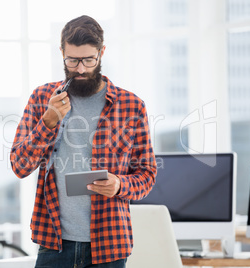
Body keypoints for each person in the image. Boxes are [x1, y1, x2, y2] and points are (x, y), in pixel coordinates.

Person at [10, 15, 157, 268]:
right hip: (53, 242)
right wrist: (47, 122)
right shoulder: (42, 98)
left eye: (89, 60)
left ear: (102, 53)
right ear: (61, 53)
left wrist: (121, 184)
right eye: (73, 60)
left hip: (110, 245)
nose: (80, 69)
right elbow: (19, 166)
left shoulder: (132, 106)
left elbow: (148, 175)